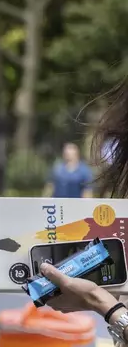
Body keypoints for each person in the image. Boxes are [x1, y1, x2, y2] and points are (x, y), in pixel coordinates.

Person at [35, 83, 128, 345]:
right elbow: (51, 187)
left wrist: (106, 305)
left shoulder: (83, 172)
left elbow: (87, 191)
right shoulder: (58, 169)